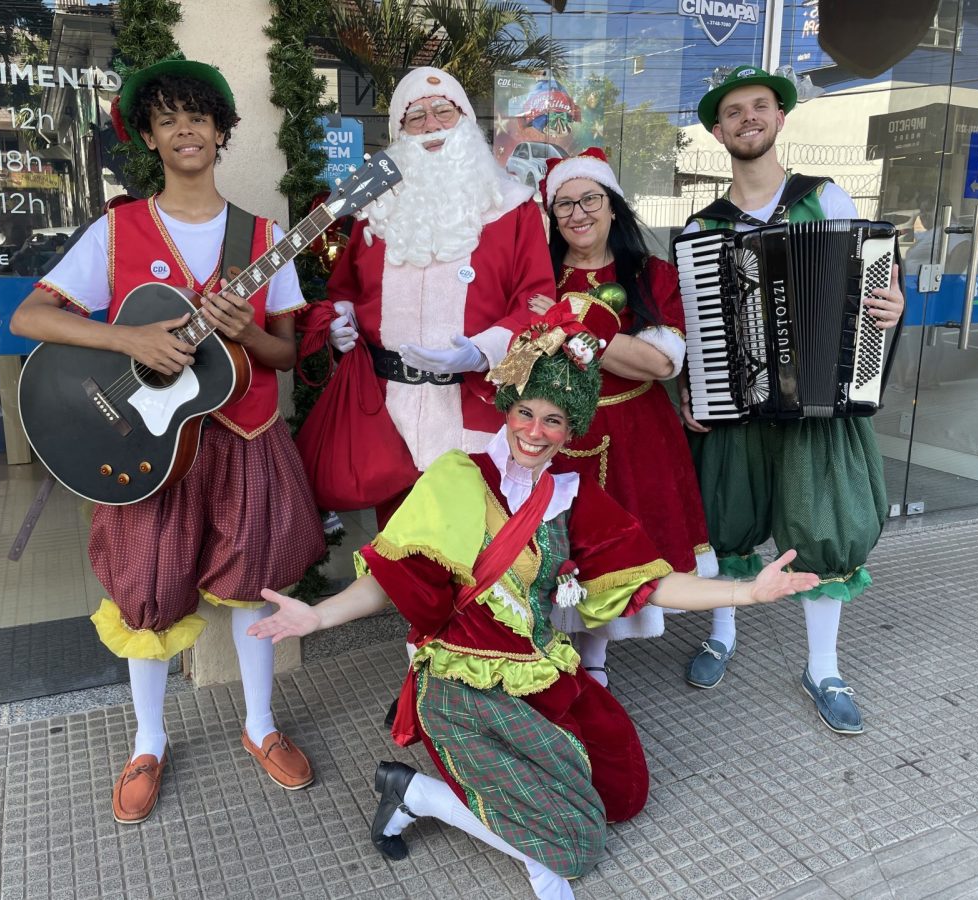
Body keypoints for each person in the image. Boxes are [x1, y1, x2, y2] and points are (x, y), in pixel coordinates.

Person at [249, 307, 821, 899]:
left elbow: (649, 583)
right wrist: (319, 615)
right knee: (576, 844)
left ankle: (414, 794)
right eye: (526, 412)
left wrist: (747, 592)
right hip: (462, 685)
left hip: (541, 671)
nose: (534, 432)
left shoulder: (574, 497)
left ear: (571, 429)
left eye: (553, 420)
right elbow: (390, 582)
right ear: (508, 409)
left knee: (623, 791)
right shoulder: (458, 477)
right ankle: (533, 863)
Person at [10, 58, 326, 822]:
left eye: (199, 115)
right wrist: (131, 341)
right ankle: (148, 740)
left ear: (221, 131)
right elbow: (30, 317)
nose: (185, 128)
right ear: (149, 136)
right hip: (145, 443)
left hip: (245, 433)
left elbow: (288, 353)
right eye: (168, 117)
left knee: (257, 576)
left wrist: (249, 330)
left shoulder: (264, 237)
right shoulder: (118, 230)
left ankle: (259, 723)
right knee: (142, 586)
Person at [678, 66, 905, 734]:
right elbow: (690, 328)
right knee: (726, 524)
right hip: (737, 407)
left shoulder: (827, 200)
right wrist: (692, 386)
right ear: (718, 131)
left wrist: (892, 309)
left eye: (760, 107)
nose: (747, 119)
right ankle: (723, 634)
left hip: (820, 408)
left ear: (778, 118)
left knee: (825, 531)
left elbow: (872, 291)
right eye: (734, 112)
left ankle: (823, 666)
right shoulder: (701, 227)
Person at [323, 66, 554, 525]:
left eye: (443, 112)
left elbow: (537, 306)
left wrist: (482, 353)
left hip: (476, 412)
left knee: (472, 555)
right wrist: (338, 322)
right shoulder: (375, 212)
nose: (430, 126)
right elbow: (343, 290)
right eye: (415, 118)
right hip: (387, 417)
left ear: (465, 119)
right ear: (399, 134)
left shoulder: (514, 208)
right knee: (397, 553)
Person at [528, 147, 716, 687]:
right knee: (558, 553)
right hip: (553, 436)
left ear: (612, 206)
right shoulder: (537, 275)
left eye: (590, 198)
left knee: (618, 551)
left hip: (637, 436)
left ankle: (594, 664)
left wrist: (572, 328)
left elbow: (658, 363)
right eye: (563, 204)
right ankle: (562, 658)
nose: (577, 213)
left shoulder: (651, 274)